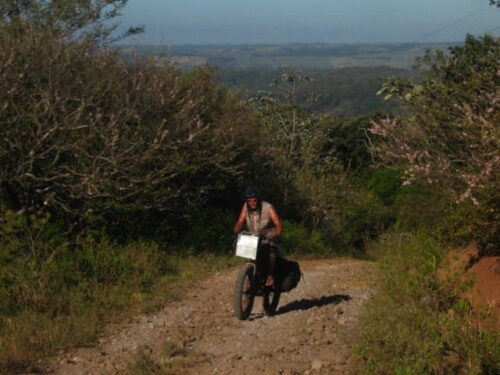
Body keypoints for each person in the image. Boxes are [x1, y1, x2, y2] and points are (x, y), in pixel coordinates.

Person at [233, 186, 282, 286]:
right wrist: (235, 232)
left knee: (272, 252)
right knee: (251, 256)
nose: (252, 203)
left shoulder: (268, 207)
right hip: (253, 237)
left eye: (254, 200)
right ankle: (251, 278)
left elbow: (278, 224)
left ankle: (269, 276)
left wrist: (277, 235)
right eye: (249, 201)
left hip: (268, 236)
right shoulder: (245, 207)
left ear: (258, 199)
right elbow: (240, 222)